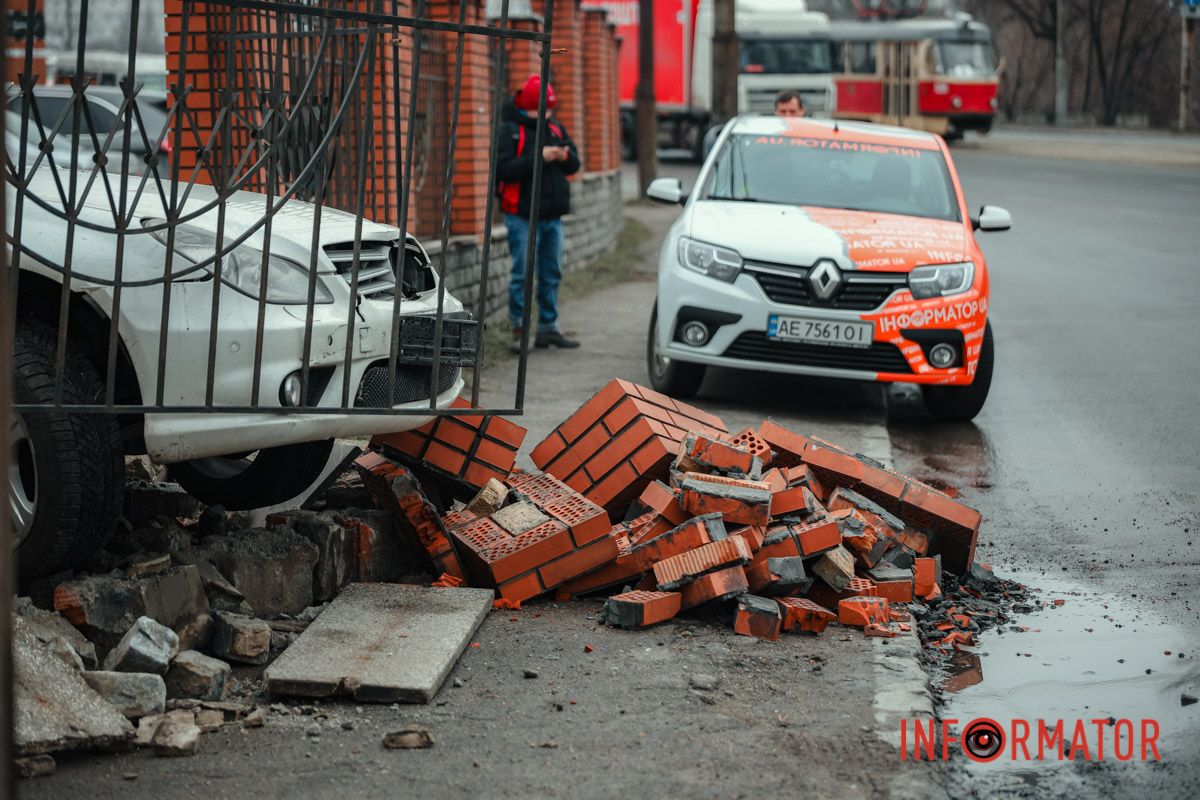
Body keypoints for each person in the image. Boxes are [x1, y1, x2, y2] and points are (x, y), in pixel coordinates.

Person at [496, 74, 582, 352]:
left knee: (552, 272)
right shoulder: (510, 130)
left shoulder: (555, 128)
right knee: (522, 274)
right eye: (541, 110)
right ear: (527, 106)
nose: (546, 115)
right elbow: (503, 169)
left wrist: (564, 156)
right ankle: (519, 331)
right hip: (521, 215)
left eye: (550, 110)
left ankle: (548, 328)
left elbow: (575, 163)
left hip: (552, 218)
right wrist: (540, 156)